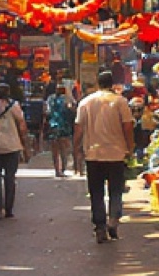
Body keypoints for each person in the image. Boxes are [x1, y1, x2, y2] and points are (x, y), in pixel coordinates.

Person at [74, 70, 137, 244]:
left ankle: (100, 226)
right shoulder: (120, 102)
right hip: (116, 154)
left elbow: (78, 128)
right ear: (112, 83)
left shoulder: (85, 102)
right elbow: (127, 127)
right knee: (116, 190)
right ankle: (113, 220)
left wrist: (76, 148)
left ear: (97, 83)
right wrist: (130, 147)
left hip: (93, 154)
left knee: (96, 192)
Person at [0, 83, 29, 220]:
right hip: (12, 147)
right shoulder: (15, 107)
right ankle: (9, 209)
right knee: (10, 178)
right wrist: (25, 145)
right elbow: (22, 127)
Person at [46, 83, 77, 177]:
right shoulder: (67, 99)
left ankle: (58, 170)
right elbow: (73, 109)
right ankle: (62, 169)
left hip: (53, 125)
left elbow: (47, 111)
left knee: (56, 150)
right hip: (63, 126)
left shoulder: (50, 99)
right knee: (63, 149)